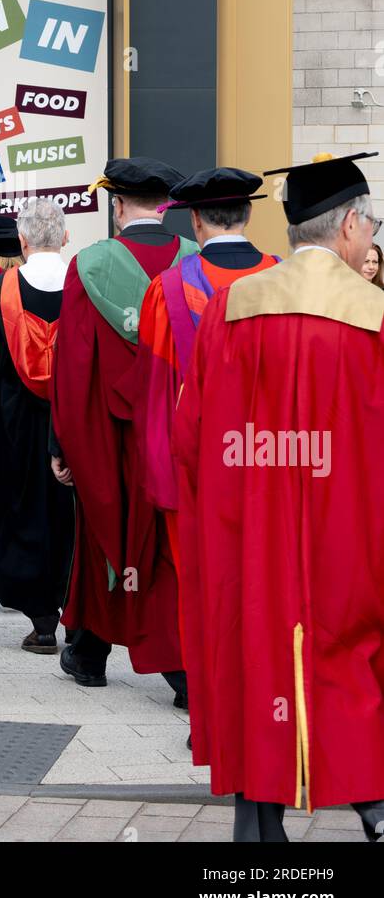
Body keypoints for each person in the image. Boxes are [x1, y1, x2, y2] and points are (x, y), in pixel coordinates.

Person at [174, 151, 384, 842]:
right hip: (350, 533)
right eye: (371, 224)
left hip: (250, 535)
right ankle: (373, 802)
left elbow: (191, 434)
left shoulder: (233, 308)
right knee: (350, 656)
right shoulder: (373, 319)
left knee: (257, 655)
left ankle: (258, 818)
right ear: (351, 225)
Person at [51, 157, 197, 692]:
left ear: (117, 207)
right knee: (166, 546)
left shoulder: (90, 264)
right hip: (176, 434)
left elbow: (72, 365)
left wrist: (63, 441)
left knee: (103, 538)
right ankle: (183, 673)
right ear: (165, 208)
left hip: (110, 438)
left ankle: (89, 657)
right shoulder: (194, 263)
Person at [133, 169, 278, 569]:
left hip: (199, 469)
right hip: (276, 464)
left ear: (195, 220)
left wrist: (162, 475)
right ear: (248, 214)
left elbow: (154, 394)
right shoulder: (284, 279)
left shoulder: (168, 289)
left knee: (204, 582)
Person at [0, 197, 74, 653]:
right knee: (68, 515)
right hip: (69, 423)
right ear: (66, 237)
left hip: (12, 428)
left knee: (19, 508)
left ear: (24, 240)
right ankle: (73, 606)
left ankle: (41, 618)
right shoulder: (84, 287)